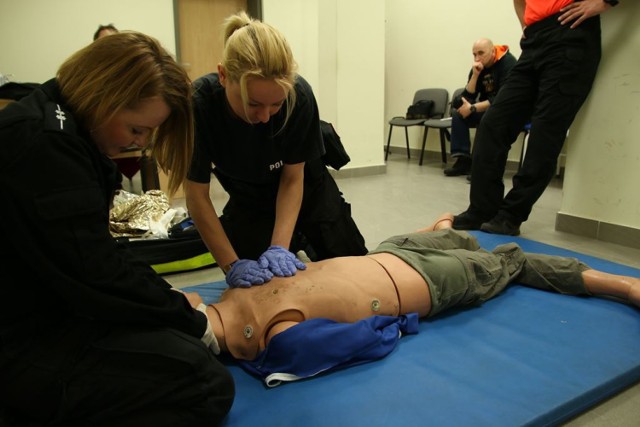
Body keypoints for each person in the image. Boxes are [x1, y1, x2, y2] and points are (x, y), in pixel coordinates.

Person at [0, 32, 234, 425]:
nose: (139, 144)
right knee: (205, 382)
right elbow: (97, 274)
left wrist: (164, 298)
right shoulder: (45, 146)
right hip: (20, 338)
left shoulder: (60, 120)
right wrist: (188, 317)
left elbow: (96, 252)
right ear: (105, 97)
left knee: (176, 345)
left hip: (45, 303)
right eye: (135, 130)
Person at [181, 212, 639, 385]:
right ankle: (620, 284)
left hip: (391, 248)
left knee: (458, 236)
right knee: (509, 260)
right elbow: (366, 341)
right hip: (427, 284)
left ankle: (446, 233)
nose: (178, 296)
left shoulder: (232, 287)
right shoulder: (274, 340)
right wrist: (401, 319)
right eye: (176, 306)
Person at [185, 11, 367, 288]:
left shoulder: (299, 95)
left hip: (308, 189)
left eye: (276, 105)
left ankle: (299, 239)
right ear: (223, 76)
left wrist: (279, 248)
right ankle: (291, 241)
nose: (266, 117)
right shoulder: (199, 106)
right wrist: (231, 264)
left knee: (353, 271)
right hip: (248, 197)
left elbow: (293, 179)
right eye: (253, 104)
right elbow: (196, 196)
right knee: (256, 286)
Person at [452, 0, 621, 235]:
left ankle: (511, 214)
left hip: (571, 31)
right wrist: (527, 26)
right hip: (534, 41)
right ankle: (483, 209)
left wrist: (605, 2)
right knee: (493, 123)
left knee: (544, 133)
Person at [444, 38, 516, 177]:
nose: (477, 58)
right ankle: (464, 161)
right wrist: (475, 75)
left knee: (488, 119)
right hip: (486, 108)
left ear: (493, 51)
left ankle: (481, 167)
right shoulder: (478, 66)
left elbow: (501, 99)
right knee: (458, 114)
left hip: (506, 110)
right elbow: (466, 97)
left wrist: (472, 108)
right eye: (474, 54)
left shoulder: (508, 63)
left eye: (481, 53)